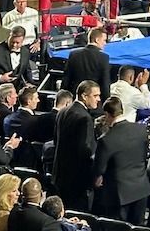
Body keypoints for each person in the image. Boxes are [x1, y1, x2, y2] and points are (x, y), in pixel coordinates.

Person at [92, 97, 150, 225]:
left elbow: (99, 169)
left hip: (118, 195)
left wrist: (98, 178)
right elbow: (144, 155)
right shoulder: (141, 129)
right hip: (141, 189)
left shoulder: (106, 140)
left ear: (107, 114)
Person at [52, 80, 100, 212]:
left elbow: (56, 141)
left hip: (60, 176)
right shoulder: (85, 118)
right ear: (84, 96)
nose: (99, 99)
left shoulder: (62, 112)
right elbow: (86, 151)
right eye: (95, 96)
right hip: (77, 181)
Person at [62, 29, 111, 103]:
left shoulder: (74, 54)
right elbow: (105, 85)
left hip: (75, 100)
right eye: (104, 40)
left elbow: (66, 80)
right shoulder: (103, 58)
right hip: (94, 103)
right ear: (97, 40)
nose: (105, 43)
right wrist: (106, 104)